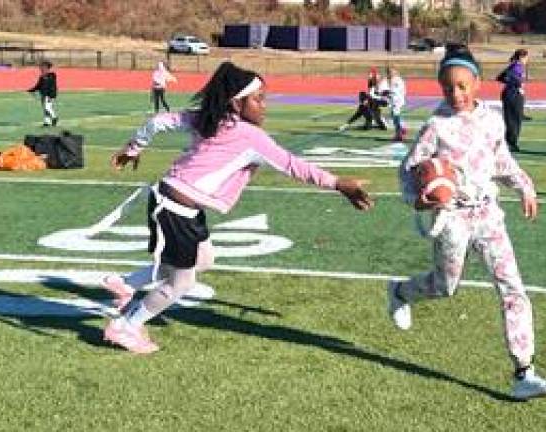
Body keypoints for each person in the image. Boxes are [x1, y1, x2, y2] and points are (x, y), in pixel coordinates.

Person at [102, 61, 374, 354]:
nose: (264, 106)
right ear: (236, 102)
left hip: (179, 204)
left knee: (204, 259)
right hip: (173, 209)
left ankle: (125, 283)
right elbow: (293, 166)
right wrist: (338, 183)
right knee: (181, 282)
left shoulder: (209, 118)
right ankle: (126, 326)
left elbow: (158, 122)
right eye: (258, 99)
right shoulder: (249, 135)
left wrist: (134, 149)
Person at [388, 45, 546, 401]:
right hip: (451, 219)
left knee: (512, 288)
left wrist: (524, 187)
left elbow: (503, 162)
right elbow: (407, 171)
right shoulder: (436, 127)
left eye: (463, 86)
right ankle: (400, 292)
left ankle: (524, 372)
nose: (456, 94)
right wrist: (416, 199)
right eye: (448, 87)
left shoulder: (492, 120)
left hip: (488, 216)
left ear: (478, 83)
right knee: (445, 287)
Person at [497, 49, 529, 152]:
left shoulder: (516, 66)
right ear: (521, 57)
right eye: (526, 57)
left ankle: (510, 142)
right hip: (513, 95)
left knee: (513, 119)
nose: (527, 59)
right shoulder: (517, 66)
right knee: (513, 121)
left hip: (513, 95)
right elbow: (504, 77)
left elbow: (502, 77)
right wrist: (517, 83)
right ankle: (511, 143)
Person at [27, 60, 58, 127]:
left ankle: (54, 117)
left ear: (47, 68)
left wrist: (51, 95)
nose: (40, 69)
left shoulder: (52, 75)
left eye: (42, 67)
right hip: (43, 95)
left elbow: (52, 86)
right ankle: (47, 122)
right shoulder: (41, 77)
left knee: (48, 107)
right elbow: (38, 86)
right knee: (45, 108)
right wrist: (31, 90)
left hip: (49, 95)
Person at [387, 67, 407, 142]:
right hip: (397, 100)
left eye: (390, 72)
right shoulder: (397, 79)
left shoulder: (395, 80)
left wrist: (388, 94)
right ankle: (402, 129)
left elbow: (394, 91)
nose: (389, 74)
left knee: (396, 117)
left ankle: (399, 134)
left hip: (396, 101)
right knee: (394, 115)